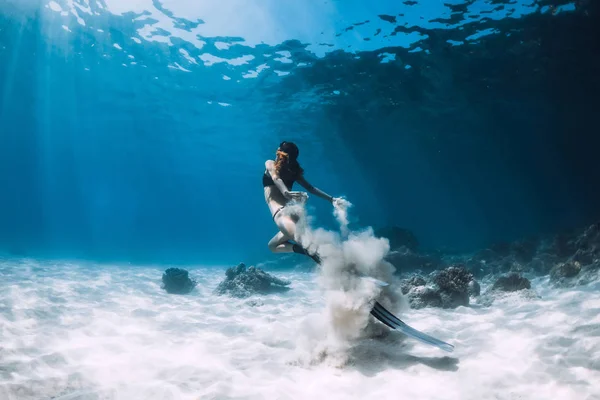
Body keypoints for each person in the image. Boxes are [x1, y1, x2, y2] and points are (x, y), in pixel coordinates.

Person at [262, 141, 342, 263]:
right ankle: (308, 253)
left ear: (278, 151)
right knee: (273, 246)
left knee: (313, 250)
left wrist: (285, 192)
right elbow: (311, 188)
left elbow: (276, 178)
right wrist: (331, 199)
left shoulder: (270, 163)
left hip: (282, 216)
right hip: (292, 215)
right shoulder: (293, 172)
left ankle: (347, 269)